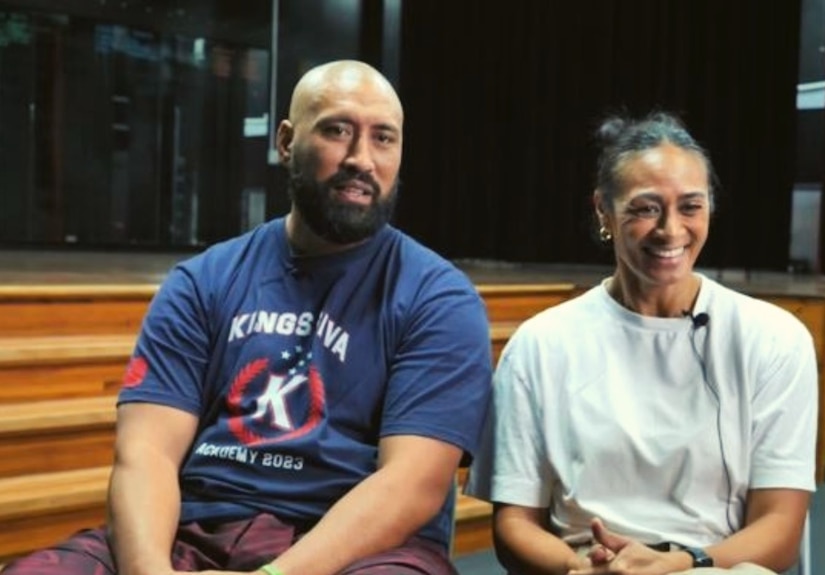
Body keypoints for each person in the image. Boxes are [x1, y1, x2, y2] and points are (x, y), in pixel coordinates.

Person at [5, 60, 492, 575]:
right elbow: (145, 454)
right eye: (337, 130)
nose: (361, 159)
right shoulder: (203, 280)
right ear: (286, 142)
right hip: (193, 529)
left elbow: (411, 486)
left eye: (383, 139)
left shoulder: (438, 299)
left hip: (352, 550)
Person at [465, 112, 817, 575]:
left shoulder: (773, 339)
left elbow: (779, 530)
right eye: (646, 207)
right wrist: (586, 570)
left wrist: (679, 564)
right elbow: (514, 525)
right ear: (603, 211)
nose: (671, 230)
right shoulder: (541, 345)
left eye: (690, 206)